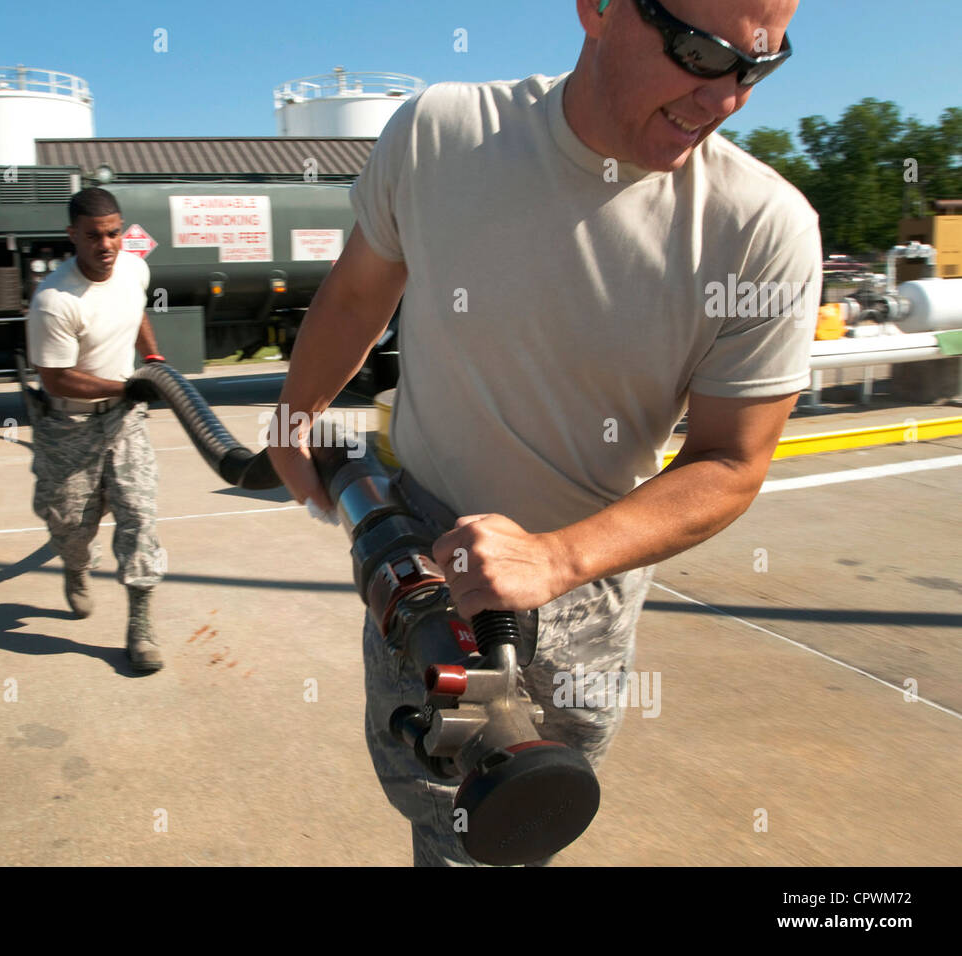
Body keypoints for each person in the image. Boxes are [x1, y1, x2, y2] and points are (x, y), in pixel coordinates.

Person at [267, 0, 820, 865]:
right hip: (418, 556)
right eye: (702, 55)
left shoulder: (760, 231)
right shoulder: (442, 135)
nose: (726, 100)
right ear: (599, 9)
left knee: (522, 826)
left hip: (585, 585)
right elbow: (354, 297)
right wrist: (299, 419)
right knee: (438, 817)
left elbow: (730, 463)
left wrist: (557, 560)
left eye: (760, 67)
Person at [26, 187, 167, 673]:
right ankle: (76, 565)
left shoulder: (132, 268)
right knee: (70, 525)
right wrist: (128, 387)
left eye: (113, 233)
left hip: (124, 421)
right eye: (93, 236)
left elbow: (137, 311)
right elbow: (56, 377)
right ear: (72, 236)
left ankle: (141, 625)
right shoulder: (54, 300)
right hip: (69, 426)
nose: (106, 245)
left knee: (139, 513)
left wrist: (152, 359)